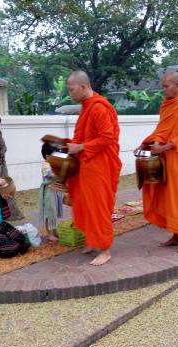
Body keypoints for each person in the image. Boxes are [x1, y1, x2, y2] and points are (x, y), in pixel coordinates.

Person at [138, 71, 178, 254]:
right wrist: (146, 143)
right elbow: (162, 129)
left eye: (166, 86)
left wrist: (166, 147)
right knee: (167, 196)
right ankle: (175, 235)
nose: (163, 90)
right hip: (164, 156)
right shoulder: (167, 104)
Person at [65, 70, 122, 266]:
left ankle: (105, 249)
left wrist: (80, 147)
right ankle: (92, 239)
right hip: (86, 163)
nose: (70, 94)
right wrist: (67, 146)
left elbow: (108, 138)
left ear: (83, 86)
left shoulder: (99, 107)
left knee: (97, 206)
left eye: (71, 90)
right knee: (84, 203)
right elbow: (82, 135)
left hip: (100, 165)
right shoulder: (87, 106)